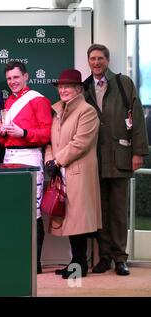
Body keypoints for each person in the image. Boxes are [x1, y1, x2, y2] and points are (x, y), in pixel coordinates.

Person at [83, 44, 149, 276]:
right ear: (88, 61)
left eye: (100, 58)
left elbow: (138, 118)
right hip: (94, 160)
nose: (97, 62)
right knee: (100, 212)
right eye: (92, 59)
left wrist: (138, 152)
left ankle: (121, 258)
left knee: (119, 212)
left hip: (120, 157)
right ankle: (105, 257)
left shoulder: (123, 83)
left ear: (107, 60)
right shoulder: (84, 88)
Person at [0, 61, 52, 274]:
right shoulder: (9, 101)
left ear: (26, 76)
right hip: (9, 157)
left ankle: (34, 263)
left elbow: (47, 134)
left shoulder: (38, 100)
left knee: (33, 212)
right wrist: (2, 133)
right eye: (9, 78)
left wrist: (25, 134)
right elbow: (6, 140)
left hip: (30, 157)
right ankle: (17, 257)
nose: (12, 82)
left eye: (16, 77)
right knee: (14, 209)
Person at [45, 69, 102, 279]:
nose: (63, 90)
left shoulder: (87, 111)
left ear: (79, 89)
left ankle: (80, 264)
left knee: (78, 221)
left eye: (67, 86)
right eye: (60, 87)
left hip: (78, 173)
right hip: (62, 171)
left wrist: (57, 160)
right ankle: (74, 262)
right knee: (69, 219)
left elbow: (80, 143)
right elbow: (51, 142)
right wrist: (50, 160)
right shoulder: (58, 111)